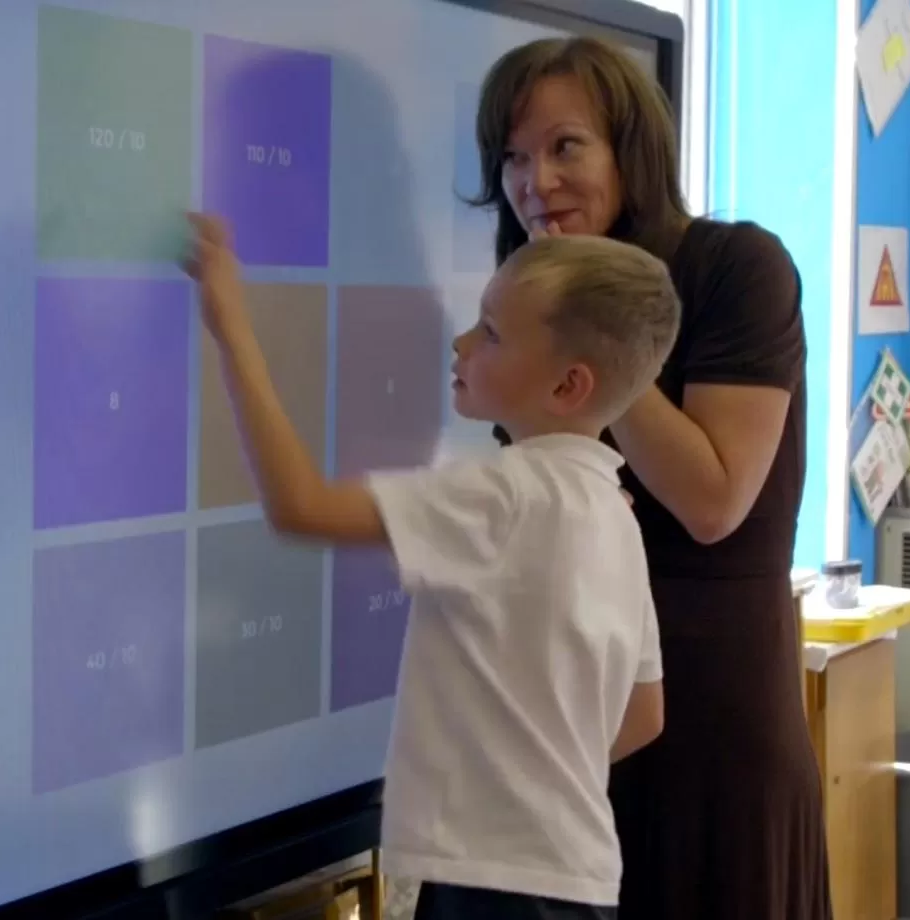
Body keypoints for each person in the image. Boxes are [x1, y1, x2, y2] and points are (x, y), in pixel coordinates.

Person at [184, 214, 680, 920]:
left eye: (492, 333)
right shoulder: (617, 517)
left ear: (568, 386)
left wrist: (231, 326)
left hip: (491, 886)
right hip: (580, 879)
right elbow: (644, 714)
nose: (462, 343)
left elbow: (299, 506)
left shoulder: (504, 494)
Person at [470, 37, 831, 919]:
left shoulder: (735, 268)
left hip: (715, 725)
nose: (535, 184)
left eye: (565, 148)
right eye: (514, 157)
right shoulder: (526, 302)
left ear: (631, 149)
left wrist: (595, 329)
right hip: (576, 728)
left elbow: (714, 501)